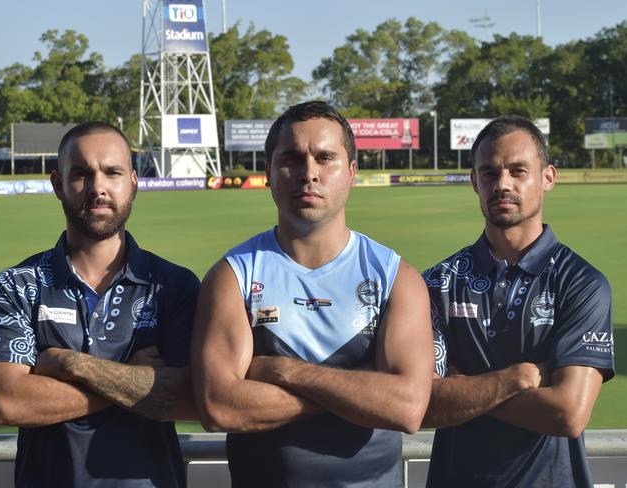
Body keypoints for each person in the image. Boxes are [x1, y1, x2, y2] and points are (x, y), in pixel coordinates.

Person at [191, 100, 434, 487]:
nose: (308, 173)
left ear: (351, 172)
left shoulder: (395, 277)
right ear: (269, 172)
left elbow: (406, 407)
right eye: (291, 158)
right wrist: (359, 389)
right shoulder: (232, 276)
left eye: (325, 158)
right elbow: (220, 407)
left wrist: (280, 371)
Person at [0, 121, 200, 487]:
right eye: (81, 174)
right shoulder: (16, 285)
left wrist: (72, 364)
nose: (98, 188)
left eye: (112, 172)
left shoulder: (173, 286)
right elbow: (7, 402)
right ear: (57, 184)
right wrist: (132, 378)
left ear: (133, 181)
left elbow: (192, 399)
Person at [422, 115, 615, 487]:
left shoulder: (582, 284)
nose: (502, 184)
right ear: (474, 181)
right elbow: (424, 402)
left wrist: (465, 386)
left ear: (548, 178)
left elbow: (568, 414)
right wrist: (518, 378)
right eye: (490, 173)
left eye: (518, 170)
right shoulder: (438, 282)